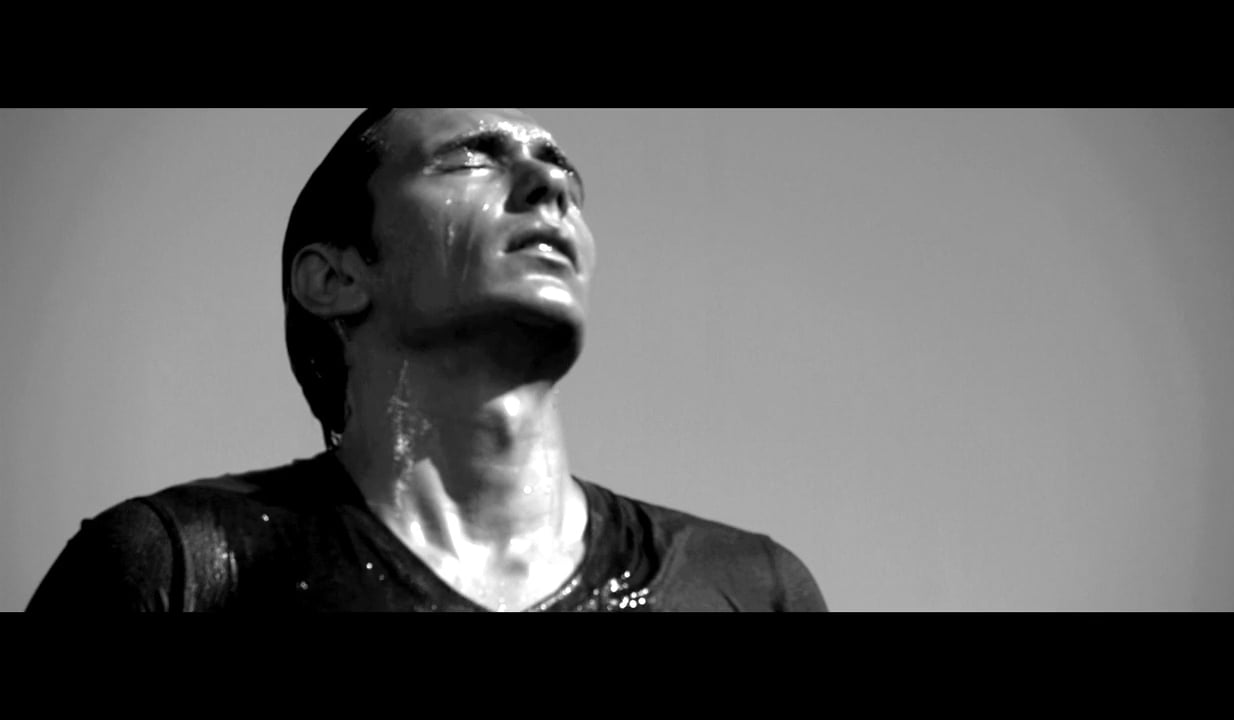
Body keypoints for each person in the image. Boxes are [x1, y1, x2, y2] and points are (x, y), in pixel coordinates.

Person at [27, 108, 828, 612]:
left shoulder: (749, 586)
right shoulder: (179, 565)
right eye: (471, 159)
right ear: (335, 277)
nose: (548, 185)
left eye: (566, 177)